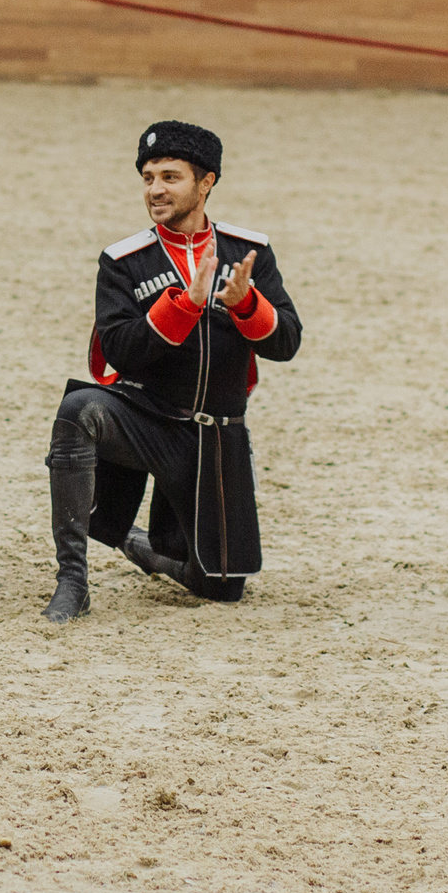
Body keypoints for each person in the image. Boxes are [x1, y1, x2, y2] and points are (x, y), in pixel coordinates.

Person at [42, 122, 302, 623]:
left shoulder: (251, 252)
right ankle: (72, 580)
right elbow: (120, 351)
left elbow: (287, 343)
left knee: (222, 589)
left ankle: (137, 543)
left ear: (206, 183)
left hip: (216, 435)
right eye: (148, 178)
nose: (155, 190)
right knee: (80, 409)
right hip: (145, 421)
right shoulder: (123, 260)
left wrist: (246, 304)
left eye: (170, 177)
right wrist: (185, 304)